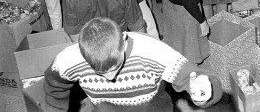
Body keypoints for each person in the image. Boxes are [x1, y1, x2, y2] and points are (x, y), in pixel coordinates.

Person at [44, 17, 223, 110]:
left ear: (124, 40)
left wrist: (207, 90)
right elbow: (53, 85)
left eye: (114, 67)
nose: (110, 77)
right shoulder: (70, 59)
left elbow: (200, 78)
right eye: (100, 73)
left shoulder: (151, 51)